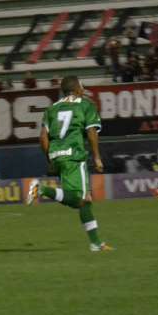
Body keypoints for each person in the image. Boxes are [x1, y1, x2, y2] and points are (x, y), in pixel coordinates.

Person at [26, 76, 112, 252]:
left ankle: (96, 243)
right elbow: (91, 132)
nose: (83, 88)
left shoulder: (52, 108)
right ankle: (42, 189)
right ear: (77, 88)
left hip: (56, 155)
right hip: (74, 157)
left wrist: (50, 159)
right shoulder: (85, 104)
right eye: (81, 85)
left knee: (85, 200)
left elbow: (43, 136)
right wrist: (96, 157)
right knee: (79, 200)